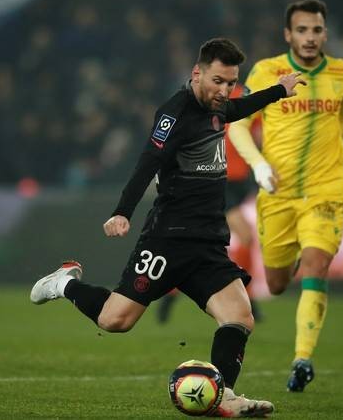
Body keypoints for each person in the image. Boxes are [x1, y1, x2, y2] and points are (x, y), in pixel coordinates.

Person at [30, 38, 304, 417]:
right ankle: (64, 282)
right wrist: (122, 211)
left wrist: (278, 91)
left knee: (240, 317)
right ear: (197, 73)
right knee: (115, 320)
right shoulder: (173, 115)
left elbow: (239, 108)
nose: (225, 91)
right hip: (167, 239)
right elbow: (147, 162)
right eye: (218, 81)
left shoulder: (219, 107)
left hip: (207, 242)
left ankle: (224, 398)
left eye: (231, 83)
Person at [228, 0, 343, 393]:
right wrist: (259, 165)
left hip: (326, 192)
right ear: (288, 35)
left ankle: (302, 360)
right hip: (278, 195)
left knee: (316, 266)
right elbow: (237, 125)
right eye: (302, 30)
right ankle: (295, 251)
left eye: (316, 30)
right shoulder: (267, 71)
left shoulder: (341, 71)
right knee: (280, 282)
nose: (310, 37)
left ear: (325, 33)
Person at [156, 83, 264, 324]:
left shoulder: (245, 97)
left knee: (201, 244)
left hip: (235, 179)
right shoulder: (205, 97)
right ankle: (249, 299)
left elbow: (258, 136)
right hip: (218, 177)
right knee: (243, 237)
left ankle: (169, 294)